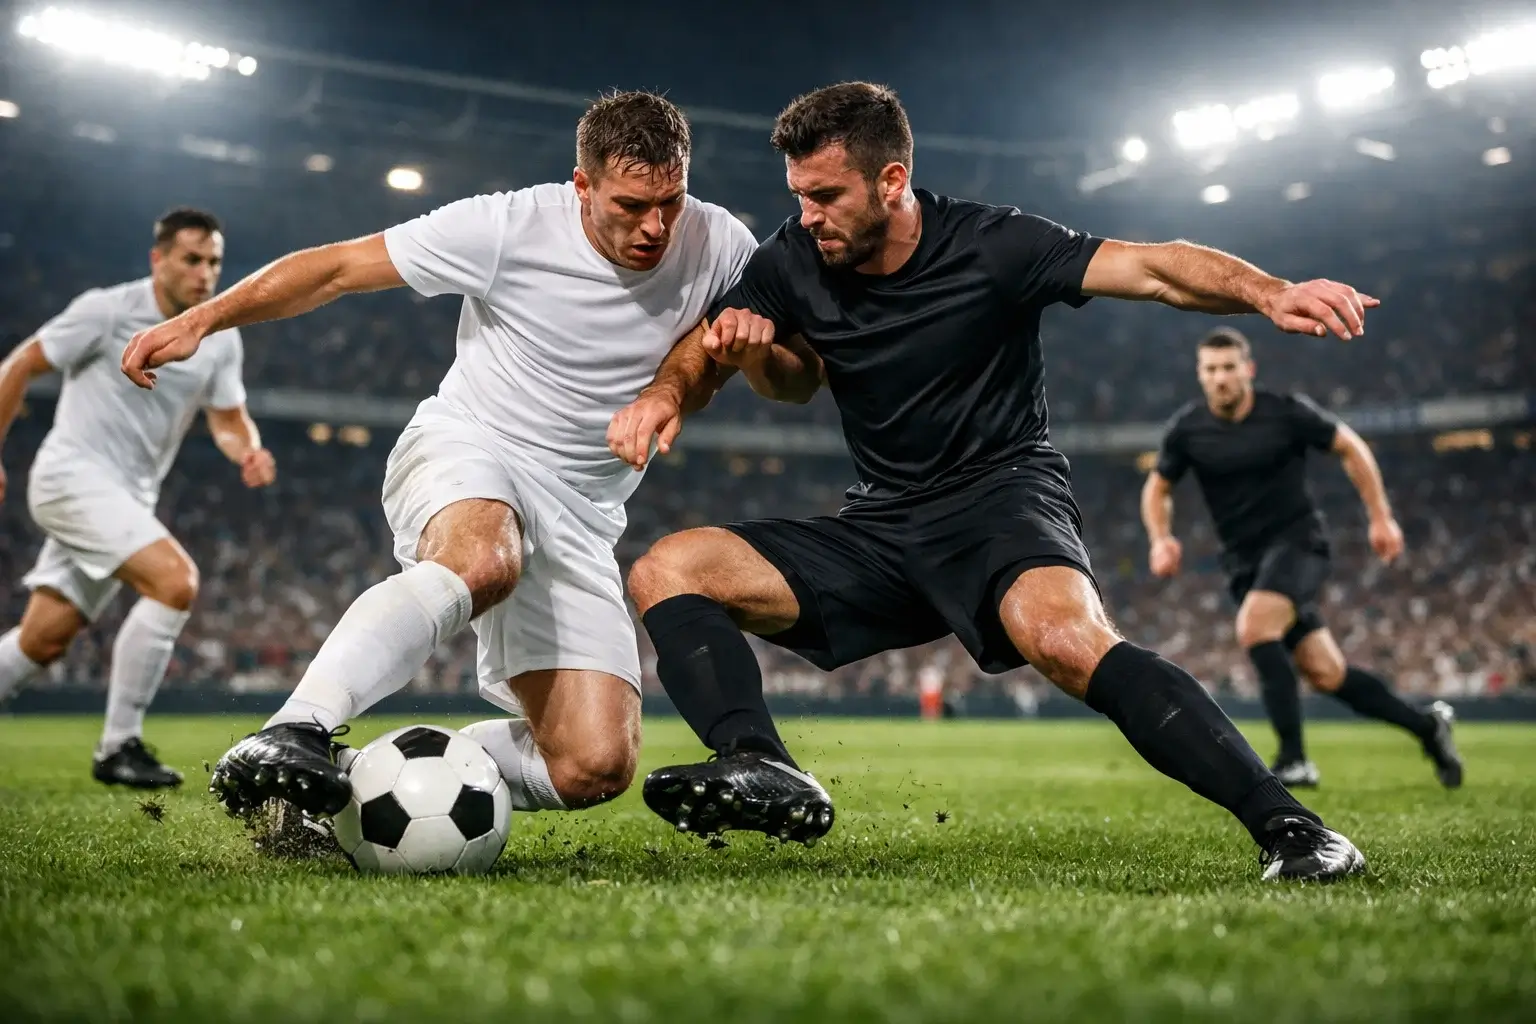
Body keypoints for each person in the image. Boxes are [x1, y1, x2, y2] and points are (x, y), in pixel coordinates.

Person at [615, 81, 1376, 881]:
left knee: (1067, 641)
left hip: (1001, 496)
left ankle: (1294, 826)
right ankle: (760, 762)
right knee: (669, 568)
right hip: (884, 522)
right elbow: (774, 377)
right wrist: (683, 385)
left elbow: (1153, 268)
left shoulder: (993, 243)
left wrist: (1271, 292)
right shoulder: (793, 258)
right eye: (799, 195)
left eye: (826, 195)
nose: (809, 215)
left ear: (892, 180)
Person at [120, 92, 759, 822]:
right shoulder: (506, 226)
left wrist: (670, 393)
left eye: (670, 201)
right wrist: (203, 318)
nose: (655, 227)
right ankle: (293, 730)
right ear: (581, 186)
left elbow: (714, 347)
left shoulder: (721, 242)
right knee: (485, 559)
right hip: (472, 444)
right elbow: (336, 268)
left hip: (585, 510)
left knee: (591, 766)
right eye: (629, 205)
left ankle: (349, 783)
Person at [0, 208, 273, 787]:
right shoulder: (107, 310)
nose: (205, 273)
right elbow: (21, 363)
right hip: (70, 478)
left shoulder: (218, 337)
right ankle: (118, 745)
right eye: (192, 259)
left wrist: (246, 449)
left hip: (127, 497)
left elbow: (228, 419)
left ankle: (114, 741)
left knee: (42, 641)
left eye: (215, 262)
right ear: (158, 258)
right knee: (176, 581)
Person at [1141, 327, 1462, 788]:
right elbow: (1158, 486)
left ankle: (1293, 760)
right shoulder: (1188, 430)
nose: (1221, 378)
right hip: (1245, 562)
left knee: (1255, 627)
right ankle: (1427, 726)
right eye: (1211, 370)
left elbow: (1350, 446)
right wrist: (1160, 537)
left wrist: (1380, 517)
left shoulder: (1284, 412)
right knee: (1326, 672)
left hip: (1298, 544)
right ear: (1200, 375)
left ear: (1248, 370)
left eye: (1229, 367)